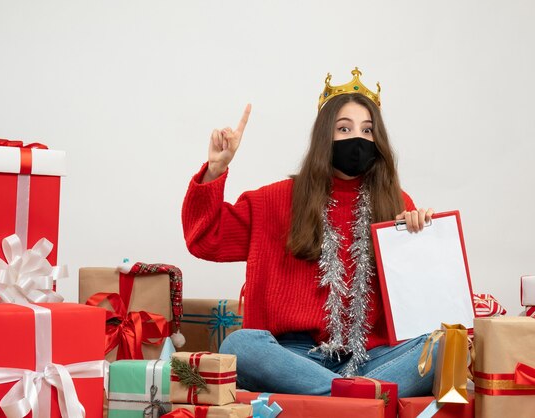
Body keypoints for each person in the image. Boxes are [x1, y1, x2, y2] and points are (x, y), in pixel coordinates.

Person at [182, 68, 435, 397]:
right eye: (344, 128)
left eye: (367, 130)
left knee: (441, 345)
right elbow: (205, 239)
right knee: (240, 346)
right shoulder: (276, 200)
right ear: (324, 137)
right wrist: (216, 168)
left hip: (372, 358)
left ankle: (343, 399)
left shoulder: (397, 203)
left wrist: (421, 239)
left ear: (378, 141)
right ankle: (361, 400)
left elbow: (418, 306)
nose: (356, 139)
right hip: (296, 357)